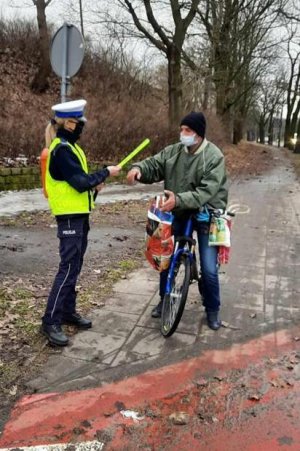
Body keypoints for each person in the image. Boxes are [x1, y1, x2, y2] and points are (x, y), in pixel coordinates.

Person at [127, 112, 228, 330]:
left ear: (199, 135)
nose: (183, 134)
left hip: (206, 214)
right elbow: (155, 164)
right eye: (181, 129)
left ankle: (212, 308)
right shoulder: (174, 151)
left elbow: (207, 191)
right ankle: (164, 299)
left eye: (188, 131)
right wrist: (138, 169)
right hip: (179, 210)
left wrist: (178, 199)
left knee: (209, 269)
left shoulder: (213, 156)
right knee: (166, 257)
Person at [41, 99, 121, 346]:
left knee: (75, 265)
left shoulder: (71, 148)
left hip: (79, 217)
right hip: (68, 219)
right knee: (67, 267)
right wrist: (106, 172)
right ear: (67, 123)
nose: (80, 127)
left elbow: (80, 182)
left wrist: (95, 186)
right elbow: (78, 181)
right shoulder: (61, 150)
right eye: (77, 122)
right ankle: (50, 321)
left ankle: (67, 311)